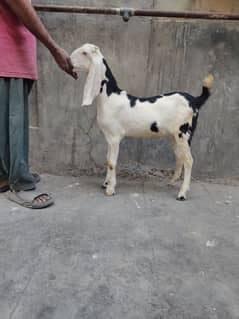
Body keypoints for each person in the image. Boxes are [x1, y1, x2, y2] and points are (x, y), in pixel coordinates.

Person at [0, 0, 77, 209]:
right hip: (7, 53)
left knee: (9, 122)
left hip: (12, 53)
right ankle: (19, 184)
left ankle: (5, 175)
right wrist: (54, 48)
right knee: (13, 124)